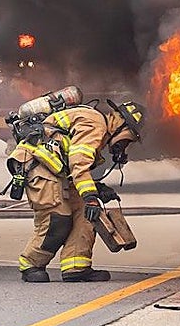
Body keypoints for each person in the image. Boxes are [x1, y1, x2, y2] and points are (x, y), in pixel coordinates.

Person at [8, 92, 145, 283]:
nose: (125, 144)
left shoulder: (98, 127)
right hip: (38, 165)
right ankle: (30, 264)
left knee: (87, 213)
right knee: (58, 217)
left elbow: (73, 165)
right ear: (119, 122)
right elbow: (78, 161)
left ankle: (76, 267)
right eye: (128, 137)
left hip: (55, 170)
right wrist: (89, 195)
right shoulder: (96, 123)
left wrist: (95, 189)